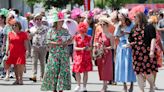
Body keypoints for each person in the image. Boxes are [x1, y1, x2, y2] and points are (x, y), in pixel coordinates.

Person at [41, 11, 71, 92]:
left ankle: (60, 88)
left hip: (63, 54)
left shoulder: (65, 30)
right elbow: (47, 41)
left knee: (62, 71)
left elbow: (70, 40)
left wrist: (66, 42)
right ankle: (53, 88)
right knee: (53, 70)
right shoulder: (51, 31)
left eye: (62, 21)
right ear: (56, 22)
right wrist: (57, 43)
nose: (62, 22)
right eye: (60, 21)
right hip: (54, 54)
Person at [129, 12, 158, 92]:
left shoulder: (149, 26)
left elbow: (153, 38)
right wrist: (129, 44)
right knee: (138, 73)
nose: (133, 18)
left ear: (140, 17)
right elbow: (131, 40)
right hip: (136, 54)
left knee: (148, 72)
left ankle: (152, 86)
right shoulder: (133, 28)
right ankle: (141, 90)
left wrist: (152, 51)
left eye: (135, 16)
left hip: (146, 53)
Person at [114, 13, 136, 92]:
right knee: (122, 66)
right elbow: (116, 37)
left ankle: (132, 85)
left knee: (130, 66)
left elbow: (135, 35)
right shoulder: (118, 26)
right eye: (119, 17)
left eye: (121, 17)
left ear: (125, 17)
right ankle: (124, 85)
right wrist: (120, 33)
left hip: (130, 47)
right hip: (121, 47)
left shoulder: (131, 25)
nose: (120, 18)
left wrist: (127, 34)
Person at [5, 20, 29, 85]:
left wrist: (27, 50)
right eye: (13, 25)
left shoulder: (23, 33)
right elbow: (8, 42)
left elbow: (26, 43)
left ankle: (21, 79)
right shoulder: (10, 33)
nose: (14, 26)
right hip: (12, 52)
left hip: (21, 52)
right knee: (15, 66)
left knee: (20, 65)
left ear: (19, 26)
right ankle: (17, 80)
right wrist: (7, 50)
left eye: (16, 25)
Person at [94, 16, 114, 92]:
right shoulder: (99, 34)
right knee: (101, 69)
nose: (102, 26)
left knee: (106, 70)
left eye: (103, 24)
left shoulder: (110, 35)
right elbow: (96, 42)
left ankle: (104, 87)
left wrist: (105, 48)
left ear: (107, 25)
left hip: (107, 54)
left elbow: (112, 47)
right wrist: (96, 46)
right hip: (100, 54)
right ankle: (104, 85)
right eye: (101, 24)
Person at [73, 22, 93, 92]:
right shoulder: (76, 37)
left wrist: (88, 48)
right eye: (82, 31)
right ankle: (78, 85)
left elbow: (91, 48)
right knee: (77, 71)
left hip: (86, 57)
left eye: (84, 31)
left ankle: (84, 86)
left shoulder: (89, 37)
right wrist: (82, 49)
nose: (83, 33)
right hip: (78, 57)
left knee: (85, 72)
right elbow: (74, 48)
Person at [29, 13, 49, 82]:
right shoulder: (32, 28)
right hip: (34, 46)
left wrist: (48, 46)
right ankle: (34, 75)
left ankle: (42, 76)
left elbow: (48, 37)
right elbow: (29, 37)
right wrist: (32, 33)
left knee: (42, 62)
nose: (39, 20)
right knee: (34, 62)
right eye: (37, 19)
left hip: (43, 46)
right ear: (34, 20)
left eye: (40, 19)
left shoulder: (46, 28)